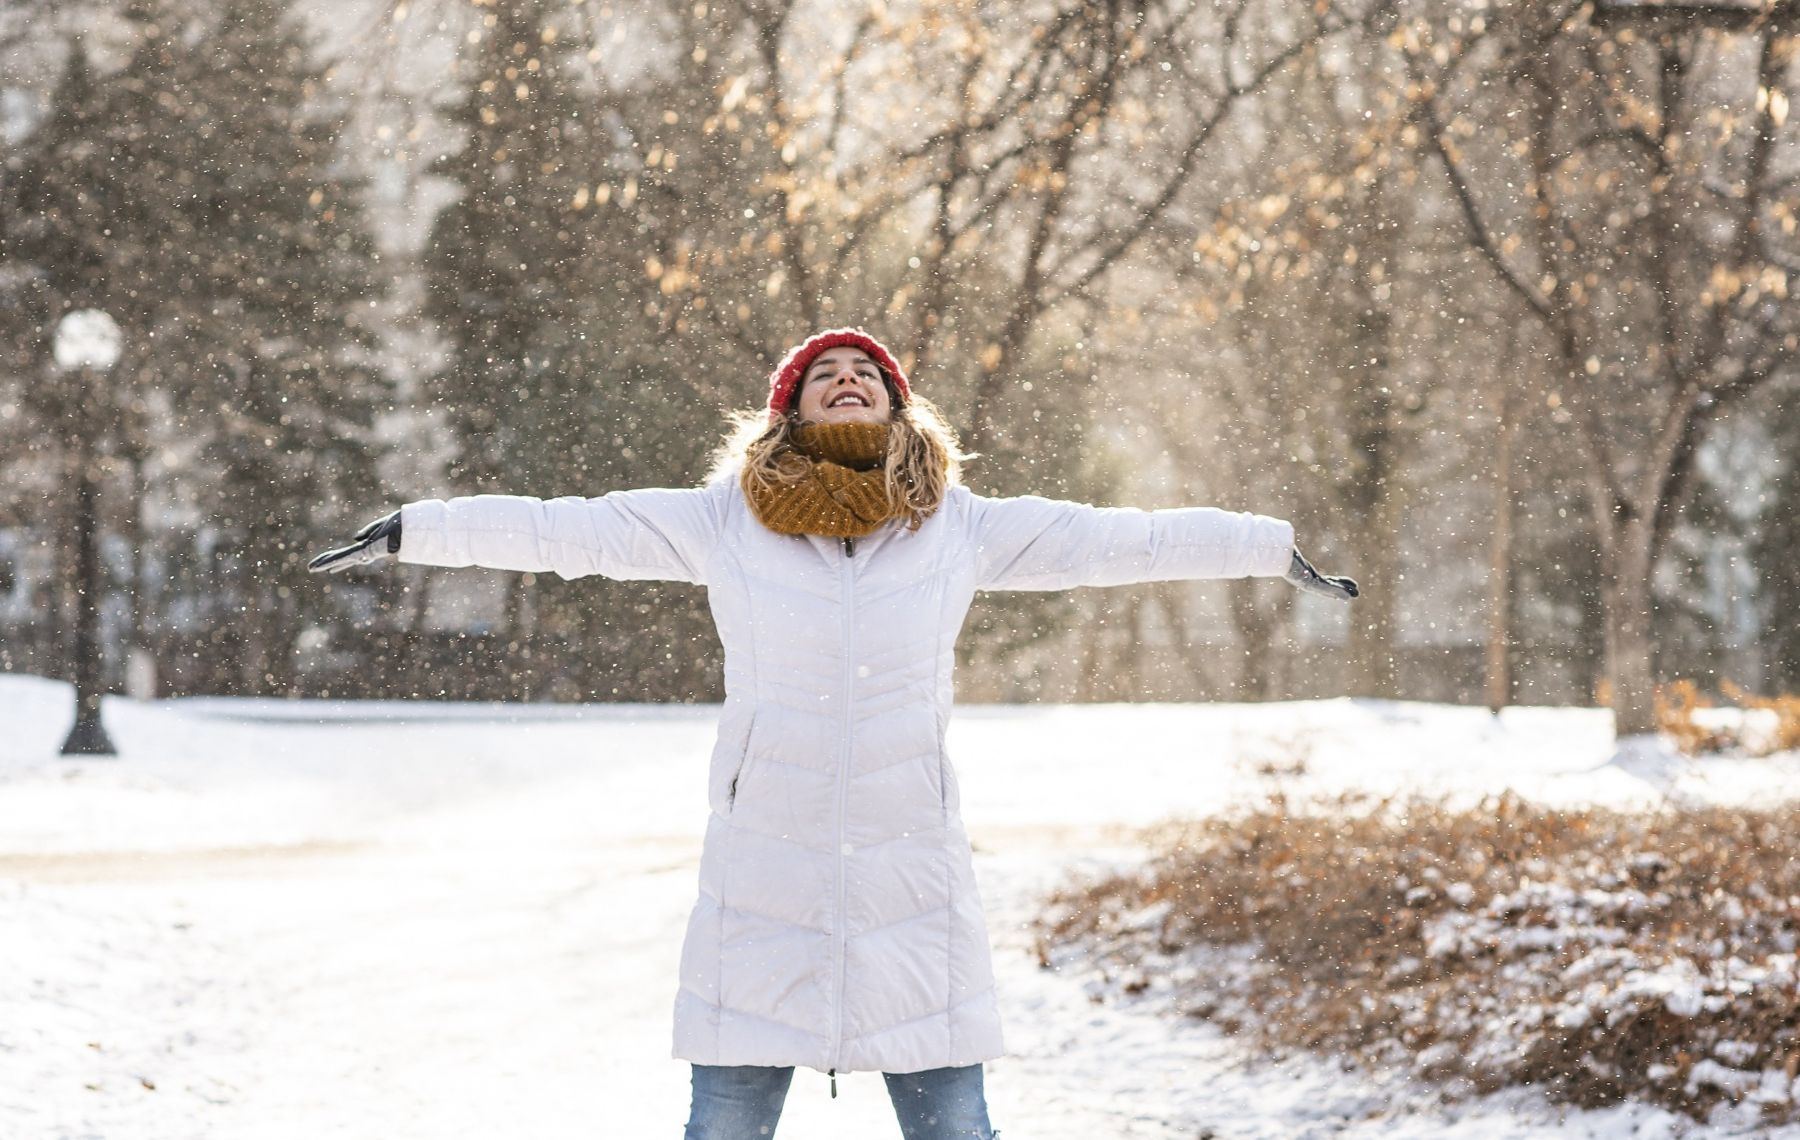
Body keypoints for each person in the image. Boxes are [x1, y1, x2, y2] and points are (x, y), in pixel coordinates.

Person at [307, 327, 1358, 1139]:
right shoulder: (723, 520)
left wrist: (1272, 549)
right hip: (764, 864)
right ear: (789, 412)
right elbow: (568, 528)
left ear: (899, 405)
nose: (848, 377)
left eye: (867, 372)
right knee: (724, 1124)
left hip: (913, 869)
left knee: (955, 1126)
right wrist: (418, 529)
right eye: (826, 374)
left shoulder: (961, 524)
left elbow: (1124, 541)